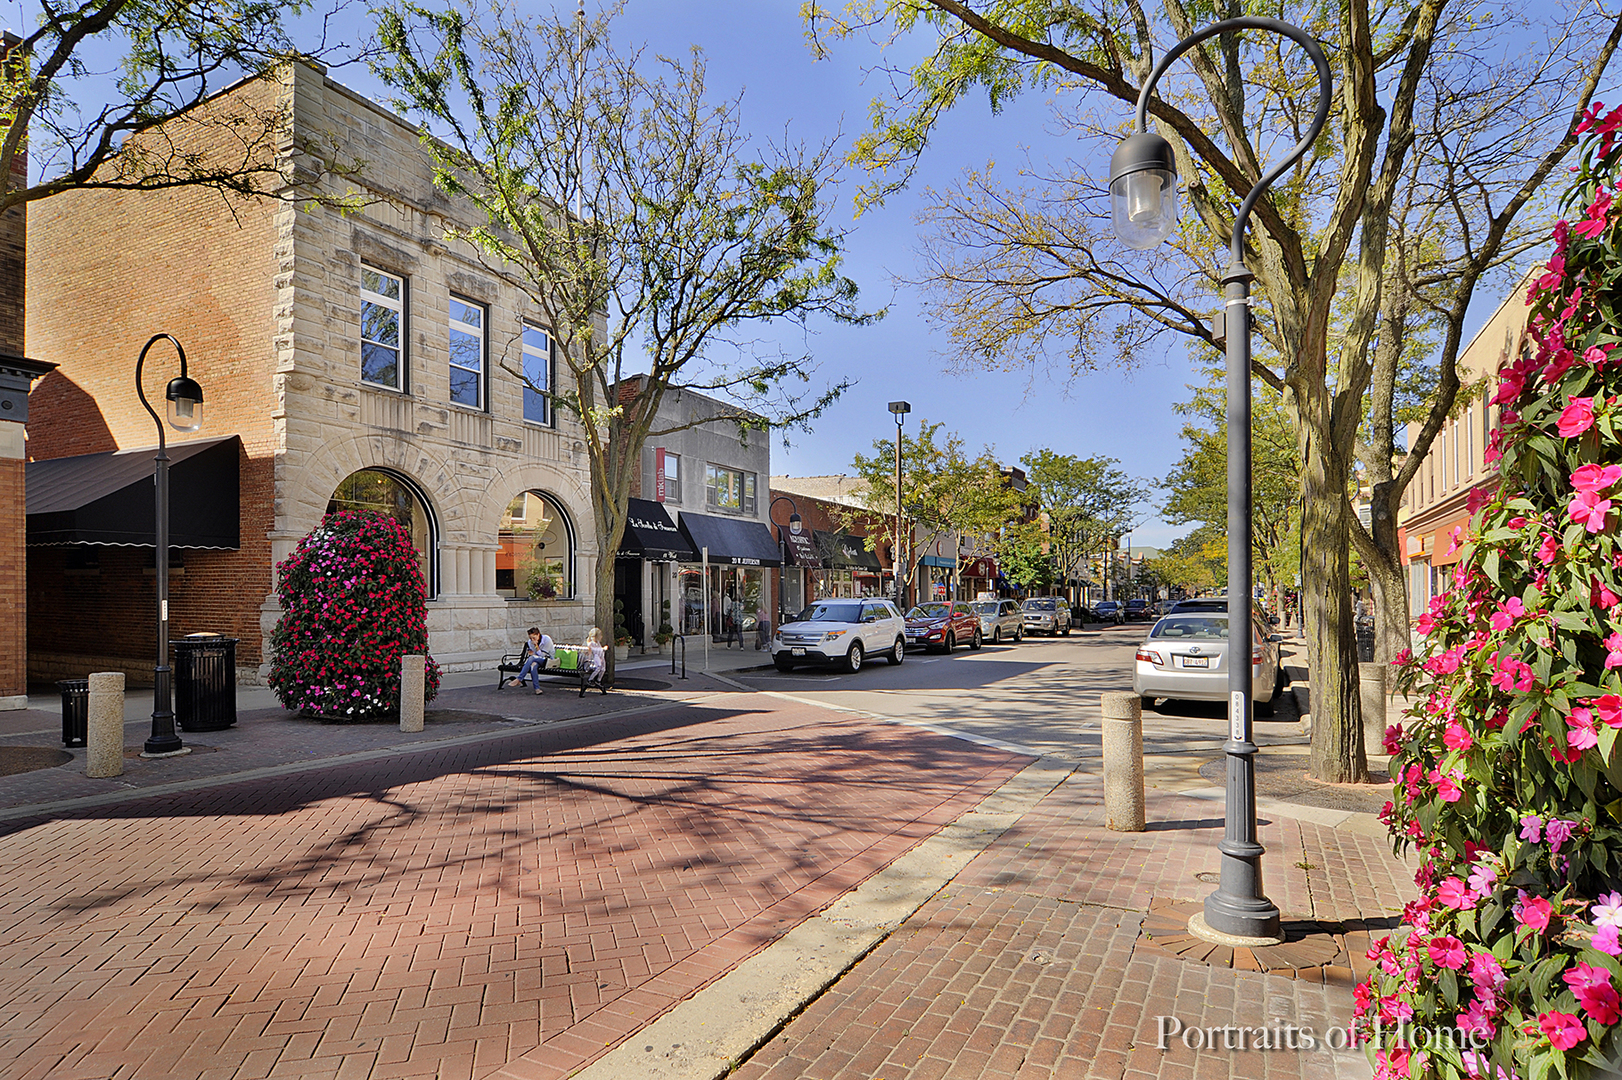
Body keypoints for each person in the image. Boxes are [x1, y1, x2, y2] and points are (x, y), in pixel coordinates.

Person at [506, 626, 554, 694]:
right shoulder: (530, 642)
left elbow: (543, 655)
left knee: (532, 658)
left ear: (538, 635)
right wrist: (532, 652)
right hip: (537, 660)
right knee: (533, 665)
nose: (532, 640)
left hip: (548, 660)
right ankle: (537, 689)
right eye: (530, 638)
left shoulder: (547, 639)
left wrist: (536, 646)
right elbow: (534, 654)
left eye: (534, 638)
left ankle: (519, 679)